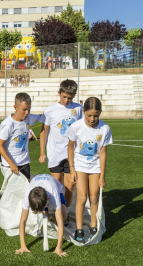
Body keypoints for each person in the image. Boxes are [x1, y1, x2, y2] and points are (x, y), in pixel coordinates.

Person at [66, 97, 112, 243]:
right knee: (81, 198)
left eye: (96, 115)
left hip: (95, 167)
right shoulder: (76, 126)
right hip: (79, 166)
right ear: (84, 112)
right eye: (89, 115)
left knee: (93, 197)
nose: (92, 119)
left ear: (100, 113)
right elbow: (70, 148)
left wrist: (102, 176)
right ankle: (79, 228)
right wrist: (72, 169)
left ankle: (93, 225)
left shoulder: (105, 128)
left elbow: (103, 153)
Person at [39, 79, 82, 209]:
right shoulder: (50, 110)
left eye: (70, 97)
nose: (67, 100)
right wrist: (42, 152)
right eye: (64, 97)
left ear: (74, 96)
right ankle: (56, 209)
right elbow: (44, 131)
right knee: (56, 184)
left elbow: (82, 129)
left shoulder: (79, 109)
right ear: (59, 93)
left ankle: (66, 212)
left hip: (72, 154)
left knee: (70, 186)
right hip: (54, 153)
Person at [16, 174, 68, 256]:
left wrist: (59, 247)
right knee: (45, 216)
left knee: (63, 214)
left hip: (55, 186)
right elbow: (22, 221)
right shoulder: (27, 196)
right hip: (40, 187)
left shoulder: (53, 192)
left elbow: (60, 220)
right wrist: (23, 246)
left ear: (47, 199)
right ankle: (47, 217)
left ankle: (53, 223)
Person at [0, 93, 42, 181]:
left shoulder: (29, 117)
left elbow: (42, 115)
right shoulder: (8, 124)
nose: (27, 113)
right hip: (10, 164)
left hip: (24, 162)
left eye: (29, 109)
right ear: (15, 107)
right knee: (13, 191)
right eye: (24, 110)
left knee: (26, 188)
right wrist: (11, 163)